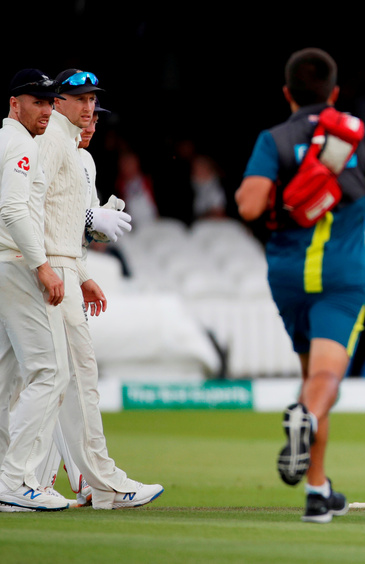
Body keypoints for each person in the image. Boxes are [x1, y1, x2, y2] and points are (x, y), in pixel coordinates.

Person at [236, 48, 365, 523]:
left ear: (287, 93)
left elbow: (249, 206)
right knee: (325, 380)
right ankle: (306, 419)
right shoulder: (356, 137)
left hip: (288, 275)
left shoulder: (273, 139)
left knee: (312, 377)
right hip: (341, 276)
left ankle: (318, 490)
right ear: (334, 93)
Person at [30, 70, 162, 509]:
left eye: (93, 103)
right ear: (58, 102)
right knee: (68, 377)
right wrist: (87, 225)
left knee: (52, 379)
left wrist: (83, 269)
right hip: (47, 268)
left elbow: (63, 222)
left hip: (59, 266)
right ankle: (99, 483)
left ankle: (36, 482)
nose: (89, 112)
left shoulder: (78, 155)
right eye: (80, 100)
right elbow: (29, 208)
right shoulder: (50, 142)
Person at [0, 69, 72, 512]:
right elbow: (12, 210)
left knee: (5, 377)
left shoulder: (5, 140)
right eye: (37, 102)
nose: (46, 111)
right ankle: (15, 479)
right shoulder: (21, 145)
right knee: (50, 371)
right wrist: (43, 266)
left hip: (4, 264)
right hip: (15, 263)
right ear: (15, 104)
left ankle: (6, 480)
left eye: (49, 103)